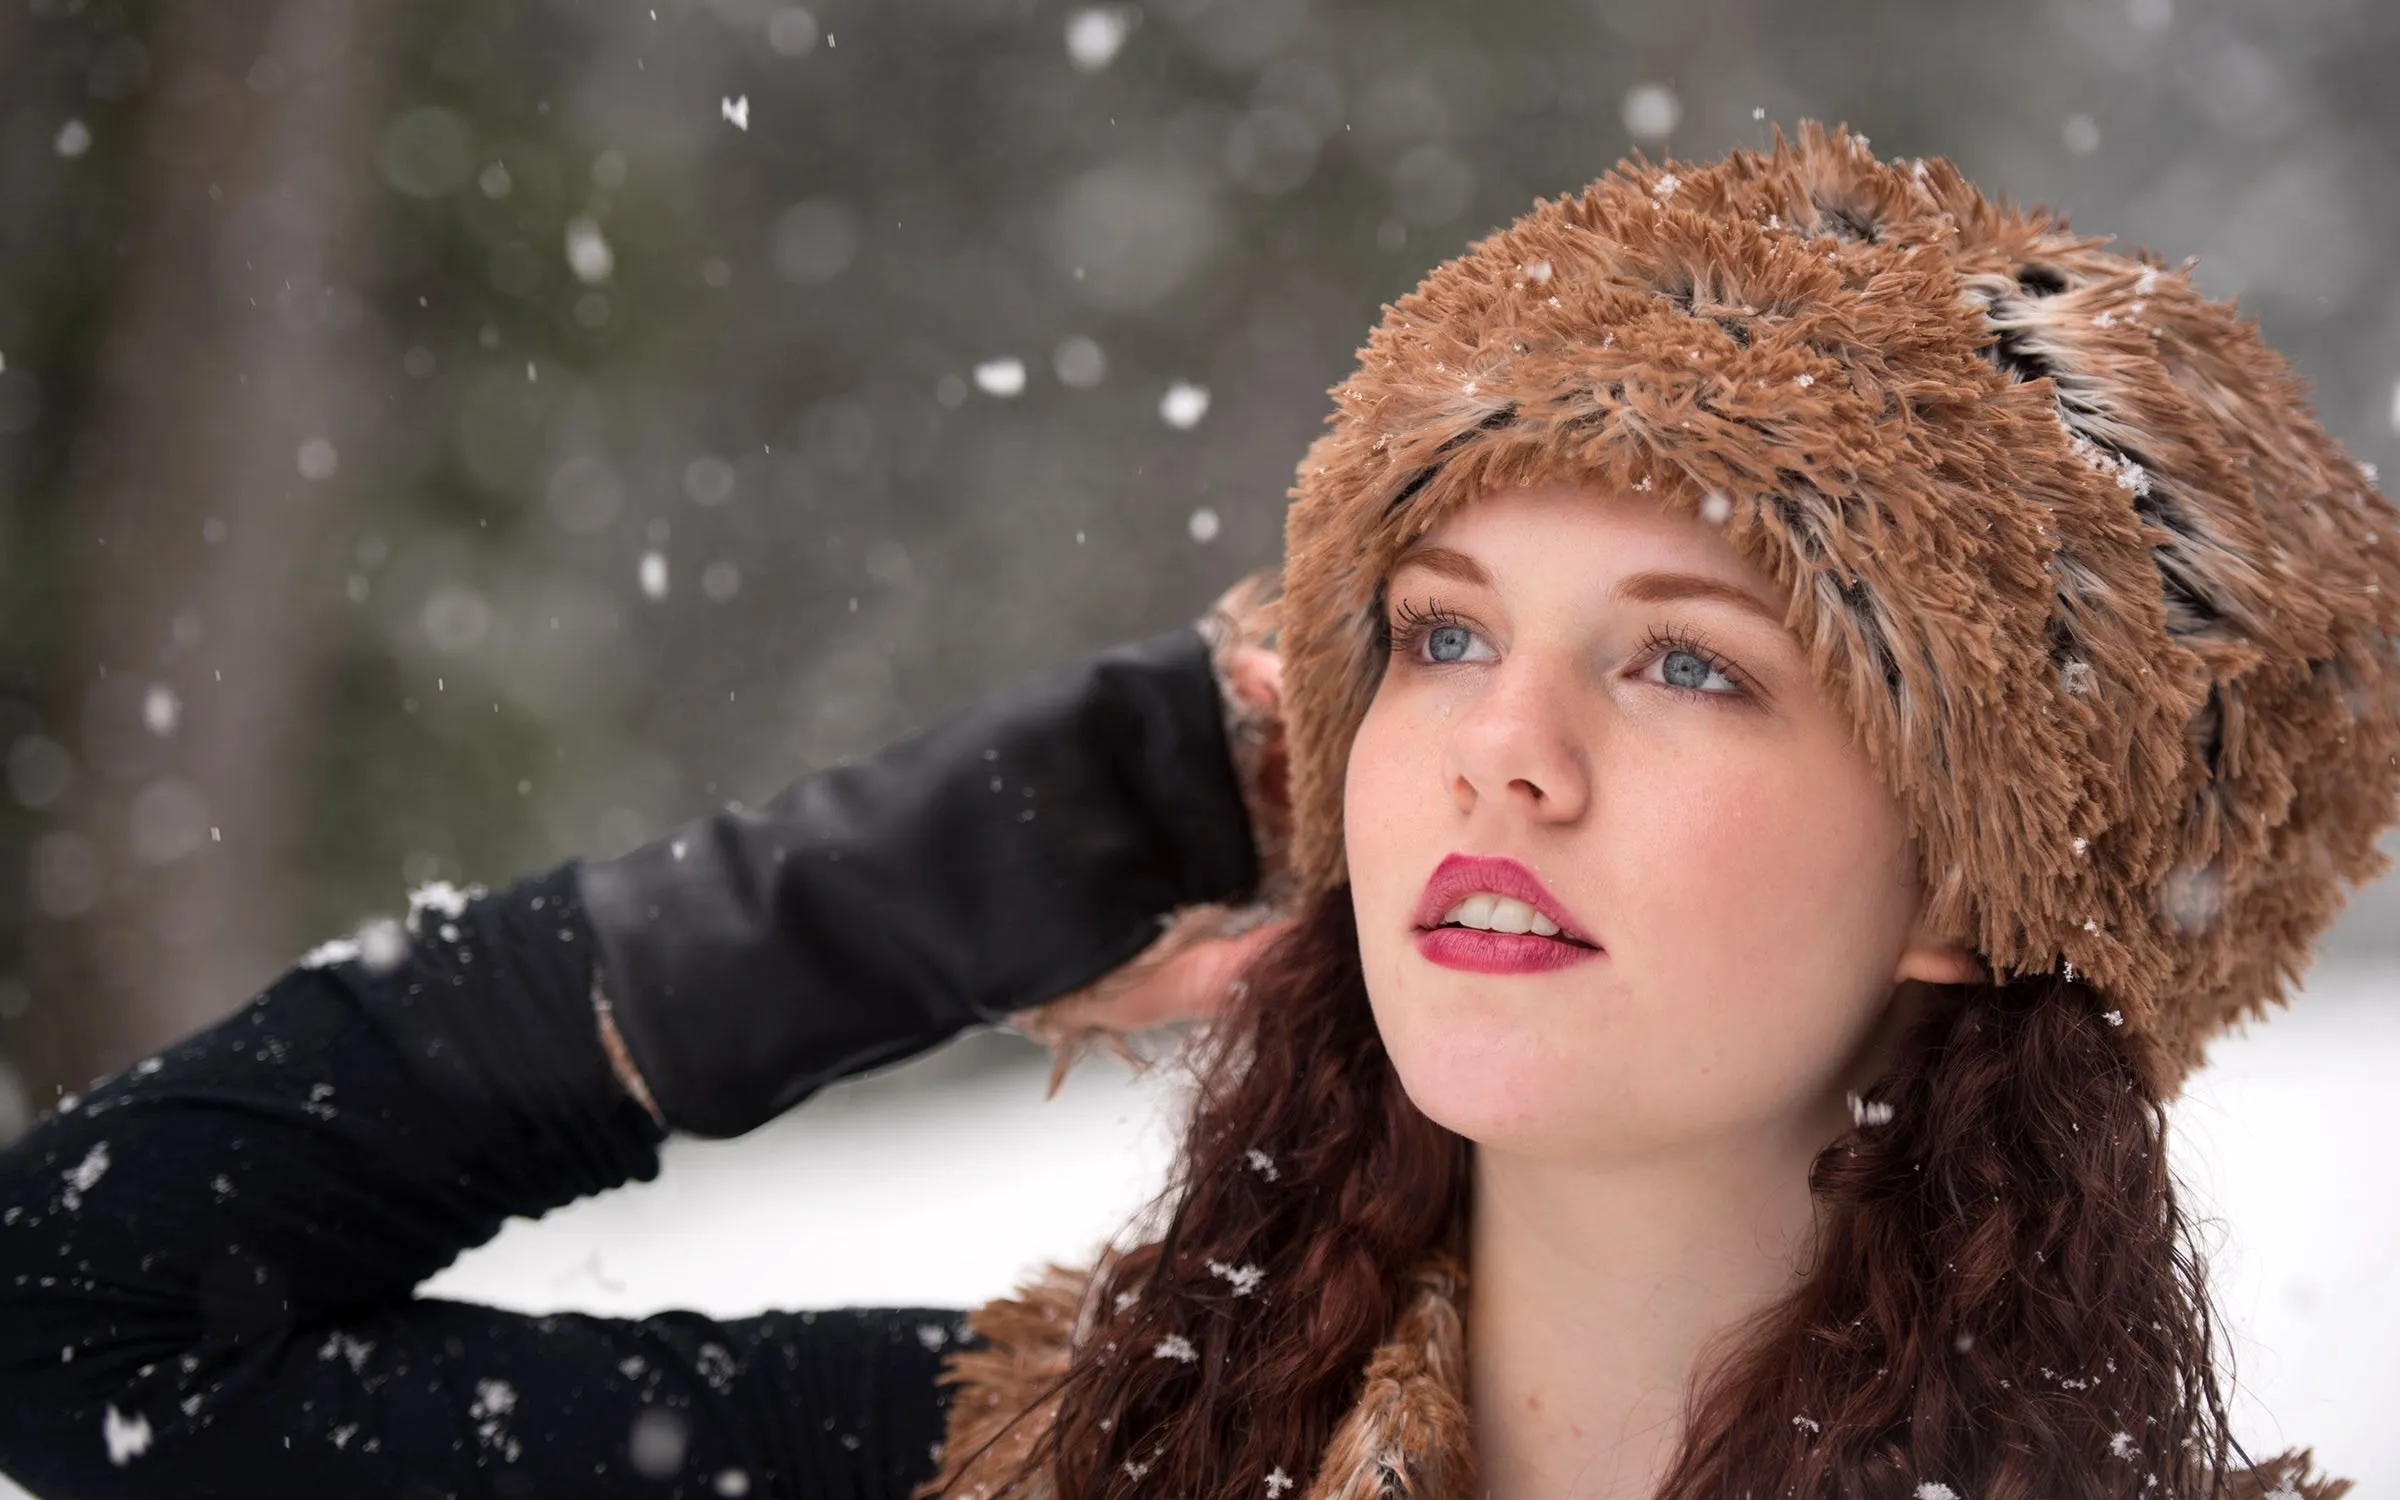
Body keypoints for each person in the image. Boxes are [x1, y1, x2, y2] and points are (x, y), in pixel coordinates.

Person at [2, 119, 2391, 1500]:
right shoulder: (1035, 1469)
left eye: (1687, 662)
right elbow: (78, 1320)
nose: (1498, 752)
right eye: (1438, 633)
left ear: (1984, 882)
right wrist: (982, 855)